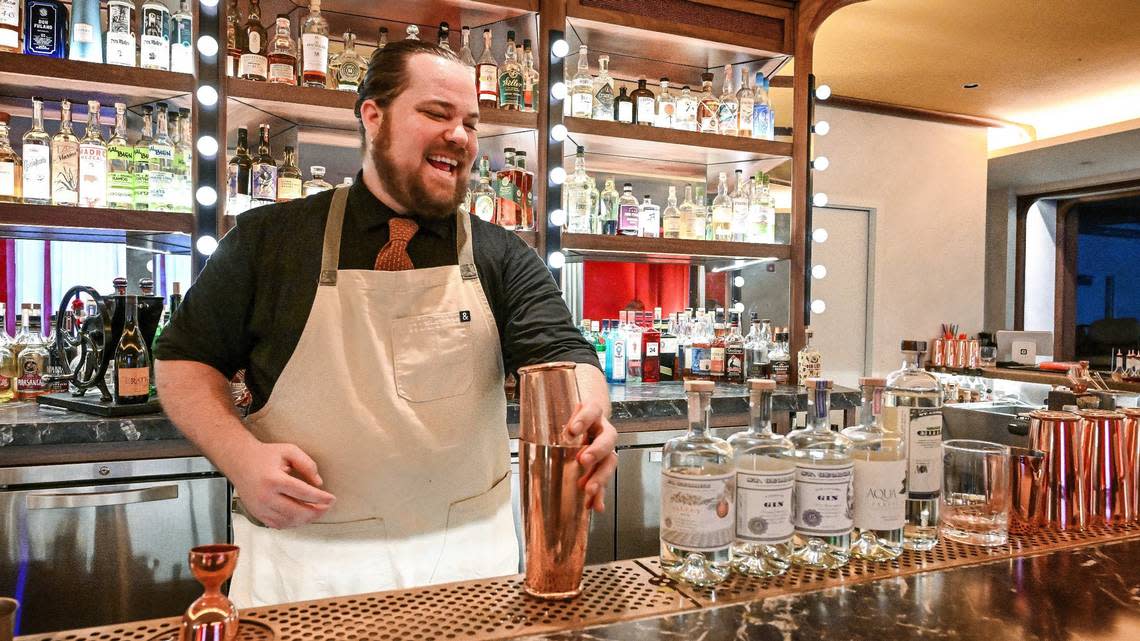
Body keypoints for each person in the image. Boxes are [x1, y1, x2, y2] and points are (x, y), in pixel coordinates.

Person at [155, 40, 617, 607]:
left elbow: (565, 356)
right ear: (373, 116)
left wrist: (589, 414)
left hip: (468, 566)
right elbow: (183, 363)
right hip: (309, 570)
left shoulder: (500, 255)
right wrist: (240, 457)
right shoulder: (268, 240)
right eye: (436, 114)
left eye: (470, 122)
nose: (461, 137)